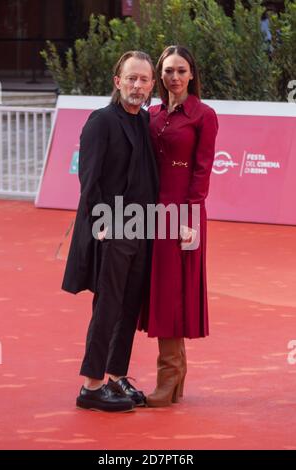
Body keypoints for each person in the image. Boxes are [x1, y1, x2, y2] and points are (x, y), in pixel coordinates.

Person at [62, 51, 158, 412]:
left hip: (142, 227)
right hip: (113, 228)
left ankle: (116, 377)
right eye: (131, 78)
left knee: (129, 307)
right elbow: (89, 179)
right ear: (118, 81)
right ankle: (91, 386)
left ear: (151, 87)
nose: (137, 85)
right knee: (107, 307)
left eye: (144, 80)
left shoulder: (143, 121)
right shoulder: (101, 121)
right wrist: (101, 224)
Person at [139, 45, 219, 407]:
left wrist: (189, 217)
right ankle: (176, 378)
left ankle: (168, 375)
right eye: (168, 70)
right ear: (160, 75)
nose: (174, 77)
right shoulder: (151, 114)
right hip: (151, 214)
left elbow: (201, 171)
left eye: (181, 70)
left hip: (182, 214)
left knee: (173, 292)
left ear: (192, 74)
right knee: (162, 290)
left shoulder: (204, 115)